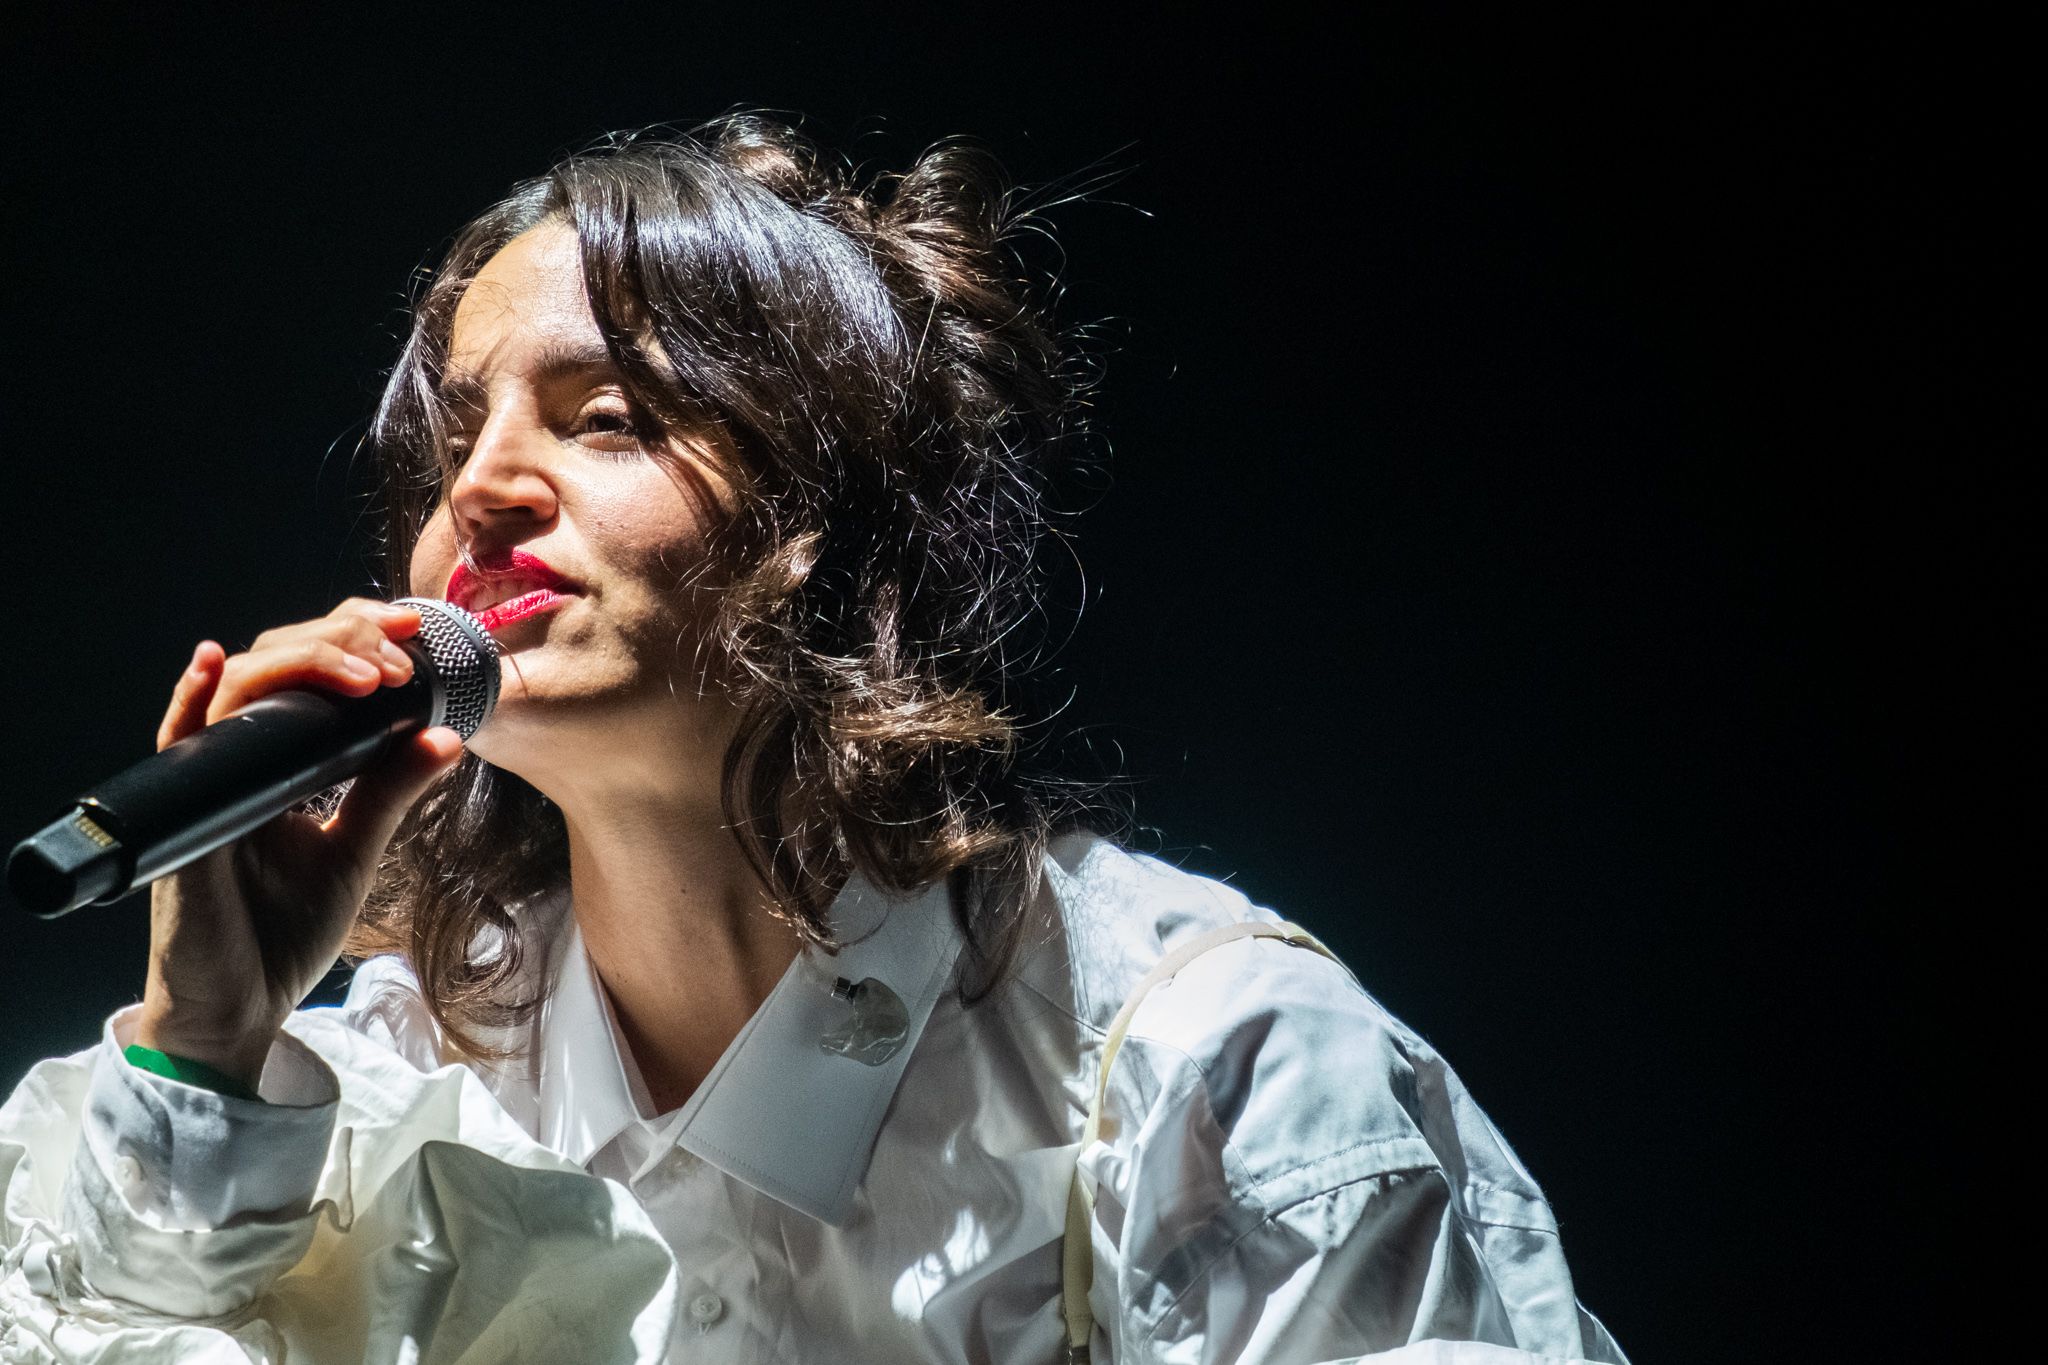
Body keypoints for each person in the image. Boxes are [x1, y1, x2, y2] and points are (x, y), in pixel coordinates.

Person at [0, 115, 1627, 1364]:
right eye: (453, 441)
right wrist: (206, 1040)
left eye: (607, 418)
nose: (480, 488)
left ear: (832, 517)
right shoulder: (396, 1082)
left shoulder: (1210, 1077)